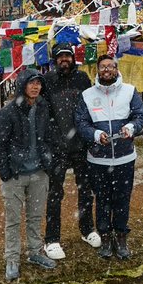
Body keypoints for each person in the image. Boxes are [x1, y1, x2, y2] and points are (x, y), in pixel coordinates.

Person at [75, 54, 143, 260]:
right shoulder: (87, 95)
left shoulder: (129, 91)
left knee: (122, 200)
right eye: (102, 67)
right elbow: (81, 123)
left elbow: (140, 116)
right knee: (103, 201)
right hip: (98, 160)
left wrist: (131, 127)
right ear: (97, 71)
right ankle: (105, 238)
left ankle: (121, 237)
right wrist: (96, 135)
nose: (106, 70)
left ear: (116, 69)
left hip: (125, 158)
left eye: (110, 66)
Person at [0, 69, 58, 281]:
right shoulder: (8, 112)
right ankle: (12, 258)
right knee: (13, 219)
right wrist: (5, 172)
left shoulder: (43, 108)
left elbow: (49, 135)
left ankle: (35, 252)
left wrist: (49, 160)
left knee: (35, 215)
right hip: (15, 174)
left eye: (39, 83)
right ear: (22, 85)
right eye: (31, 83)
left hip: (39, 172)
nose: (36, 87)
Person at [41, 42, 99, 260]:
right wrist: (49, 140)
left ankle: (87, 229)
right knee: (55, 193)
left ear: (73, 58)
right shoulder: (47, 81)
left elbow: (89, 109)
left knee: (86, 189)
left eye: (67, 56)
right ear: (55, 60)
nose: (64, 60)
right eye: (60, 57)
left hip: (81, 145)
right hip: (57, 148)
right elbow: (44, 113)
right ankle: (52, 239)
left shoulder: (82, 79)